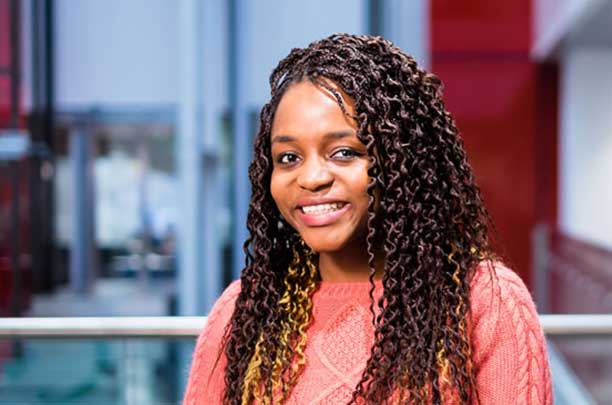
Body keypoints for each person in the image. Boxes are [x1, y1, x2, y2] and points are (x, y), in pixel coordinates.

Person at [183, 33, 552, 405]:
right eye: (289, 158)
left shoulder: (485, 301)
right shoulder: (244, 310)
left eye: (343, 152)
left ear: (402, 160)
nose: (311, 178)